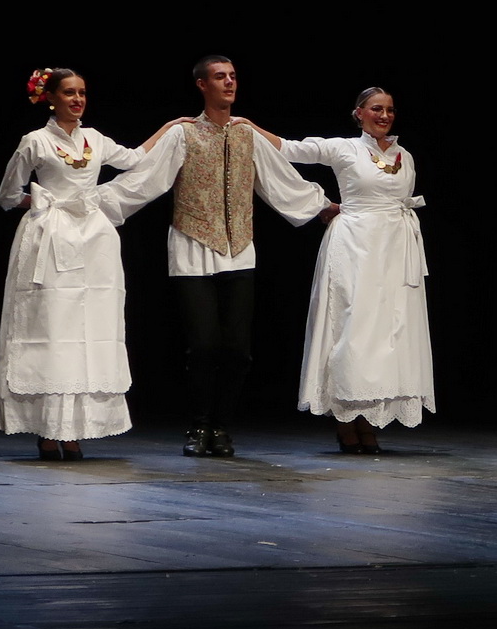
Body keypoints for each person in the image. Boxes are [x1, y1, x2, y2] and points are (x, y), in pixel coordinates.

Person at [101, 55, 336, 457]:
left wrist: (323, 207)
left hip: (239, 251)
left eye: (233, 76)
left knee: (238, 351)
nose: (229, 82)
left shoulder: (247, 134)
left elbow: (281, 180)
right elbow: (144, 180)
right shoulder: (184, 134)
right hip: (193, 249)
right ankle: (199, 425)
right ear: (202, 85)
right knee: (204, 346)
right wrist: (92, 204)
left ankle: (221, 425)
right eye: (220, 77)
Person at [0, 68, 193, 460]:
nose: (77, 99)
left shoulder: (95, 139)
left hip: (92, 240)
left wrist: (169, 128)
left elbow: (134, 159)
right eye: (69, 93)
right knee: (52, 329)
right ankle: (48, 429)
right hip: (50, 238)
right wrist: (46, 204)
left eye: (82, 92)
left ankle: (74, 430)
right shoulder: (35, 141)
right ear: (51, 98)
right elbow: (7, 195)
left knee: (88, 329)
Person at [240, 87, 435, 452]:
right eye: (376, 108)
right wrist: (249, 126)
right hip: (355, 246)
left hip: (396, 250)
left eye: (390, 109)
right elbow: (291, 149)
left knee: (388, 333)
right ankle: (347, 419)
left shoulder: (404, 155)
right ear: (359, 113)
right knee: (353, 329)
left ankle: (370, 418)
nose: (385, 115)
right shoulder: (344, 149)